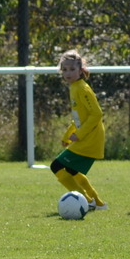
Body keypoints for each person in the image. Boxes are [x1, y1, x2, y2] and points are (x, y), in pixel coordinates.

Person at [50, 49, 107, 210]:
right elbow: (79, 117)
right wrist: (67, 135)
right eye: (64, 69)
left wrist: (79, 134)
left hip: (91, 138)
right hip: (86, 136)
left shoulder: (82, 88)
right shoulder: (74, 87)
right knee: (71, 169)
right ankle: (97, 202)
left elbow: (96, 114)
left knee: (56, 166)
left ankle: (86, 201)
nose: (68, 73)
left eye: (72, 69)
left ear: (80, 70)